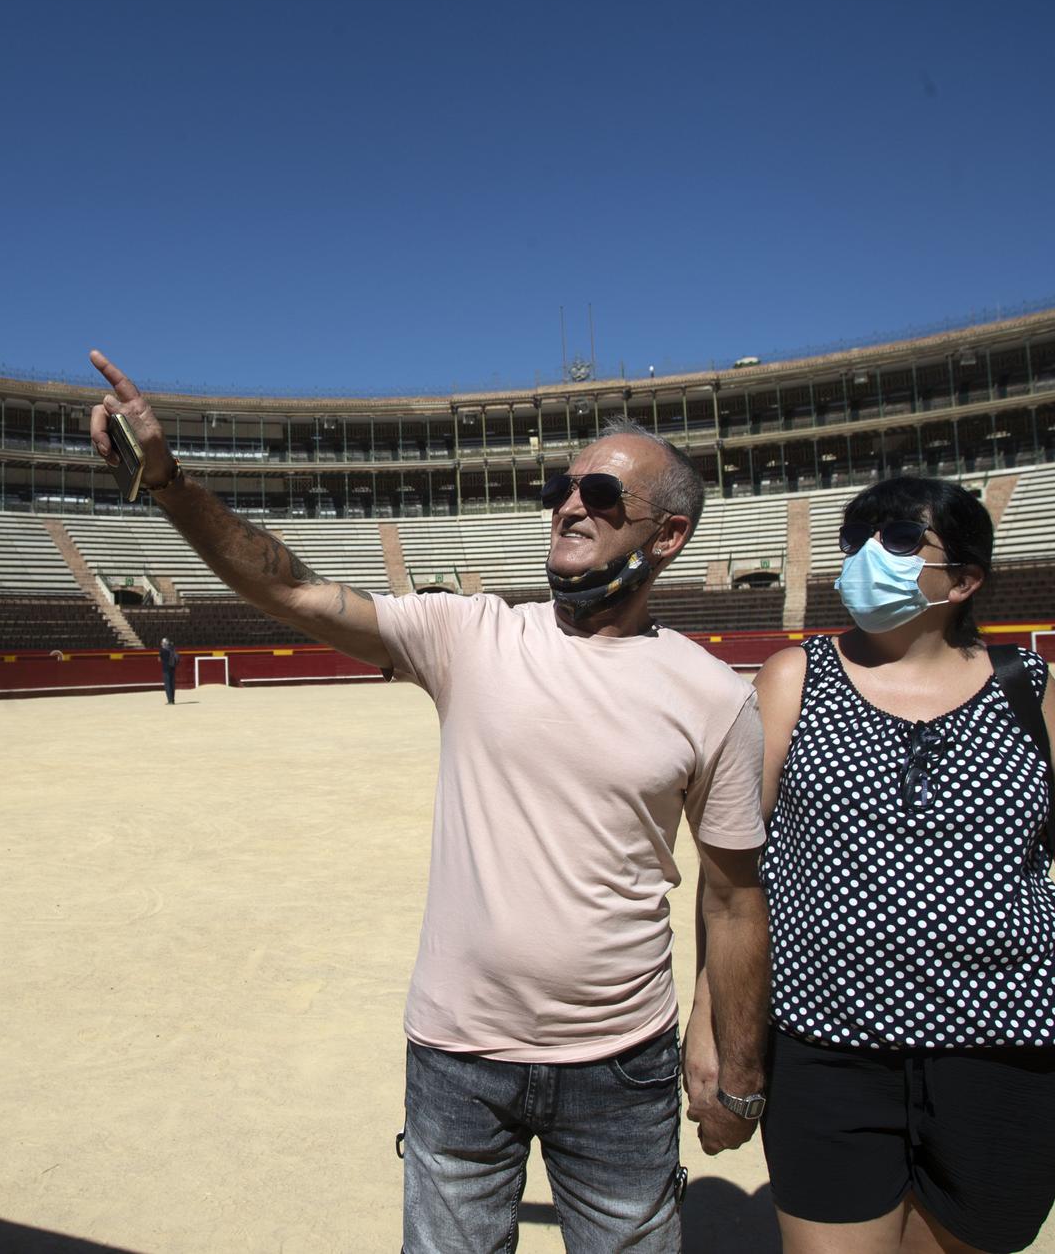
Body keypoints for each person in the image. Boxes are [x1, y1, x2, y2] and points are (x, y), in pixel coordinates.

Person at [85, 349, 770, 1253]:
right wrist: (169, 482)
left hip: (622, 1062)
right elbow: (288, 586)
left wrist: (734, 1061)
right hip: (457, 1053)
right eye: (563, 485)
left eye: (601, 493)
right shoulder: (470, 633)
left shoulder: (714, 694)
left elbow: (732, 896)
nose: (569, 502)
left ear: (669, 534)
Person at [727, 476, 1055, 1254]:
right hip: (828, 1041)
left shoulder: (1027, 686)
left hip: (1006, 1045)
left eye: (894, 542)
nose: (862, 560)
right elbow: (738, 872)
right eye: (854, 543)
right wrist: (719, 1026)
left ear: (963, 579)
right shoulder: (794, 676)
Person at [159, 635, 179, 704]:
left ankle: (170, 700)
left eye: (162, 643)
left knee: (167, 685)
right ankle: (172, 700)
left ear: (164, 643)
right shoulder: (172, 649)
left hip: (166, 669)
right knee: (172, 684)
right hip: (172, 668)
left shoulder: (162, 650)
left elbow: (160, 659)